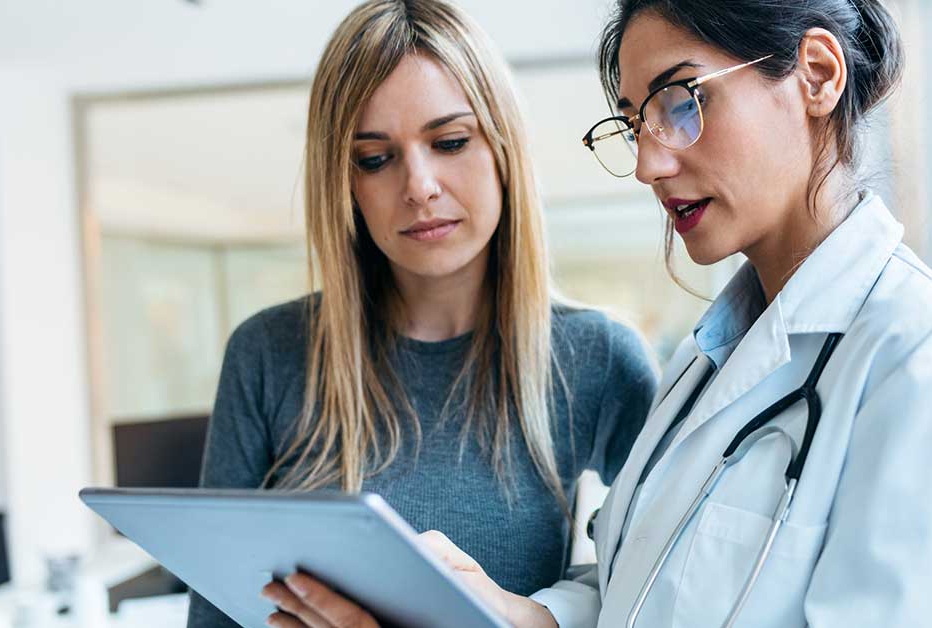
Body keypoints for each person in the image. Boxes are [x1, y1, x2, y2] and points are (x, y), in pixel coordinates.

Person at [263, 1, 932, 627]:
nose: (648, 162)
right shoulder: (706, 363)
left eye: (681, 102)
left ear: (817, 74)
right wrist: (511, 615)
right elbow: (633, 596)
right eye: (636, 120)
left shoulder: (925, 365)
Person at [186, 1, 659, 627]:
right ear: (344, 182)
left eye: (450, 141)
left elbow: (662, 588)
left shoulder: (596, 357)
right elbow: (212, 616)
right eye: (374, 159)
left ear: (502, 148)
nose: (419, 186)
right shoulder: (269, 354)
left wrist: (541, 618)